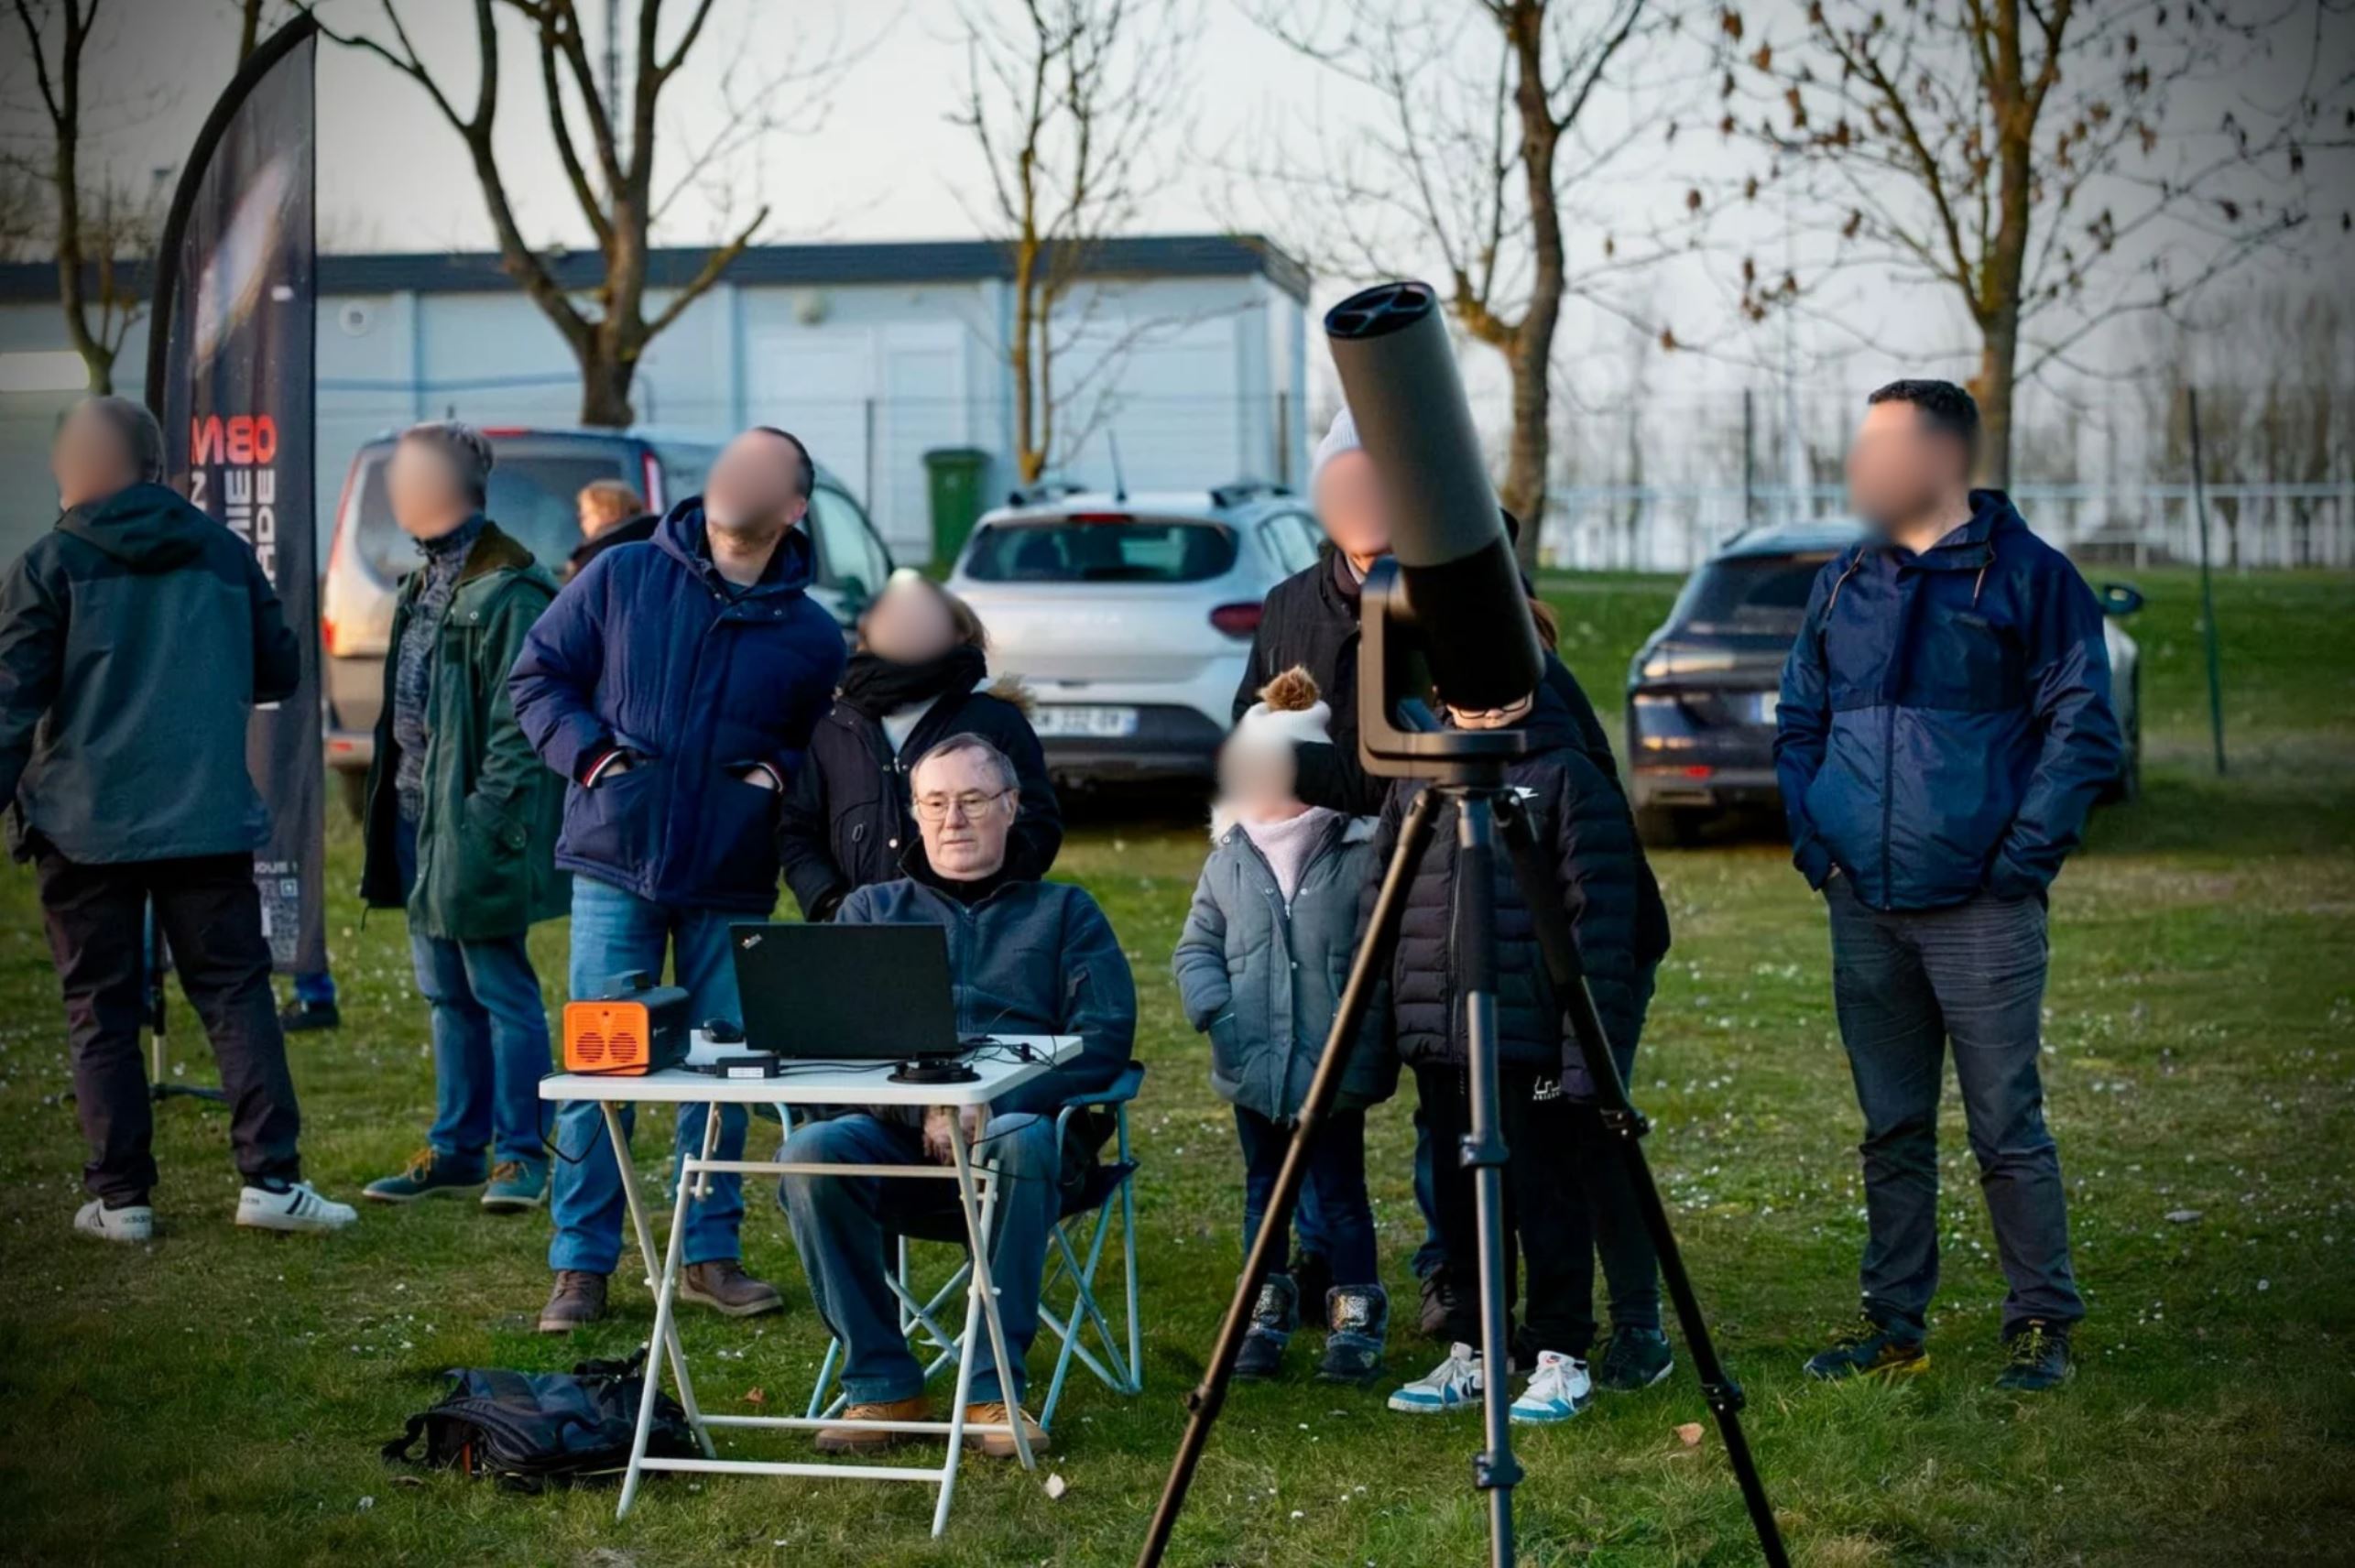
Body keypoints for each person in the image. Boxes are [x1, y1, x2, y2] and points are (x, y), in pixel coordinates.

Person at [1237, 406, 1654, 1343]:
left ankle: (1625, 1322)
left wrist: (1298, 765)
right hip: (1419, 916)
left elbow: (1561, 818)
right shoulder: (1294, 605)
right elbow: (1297, 742)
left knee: (1577, 1135)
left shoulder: (1487, 623)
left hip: (1542, 936)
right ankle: (1461, 1306)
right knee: (1451, 1129)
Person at [1776, 380, 2119, 1394]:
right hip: (1864, 905)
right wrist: (1819, 847)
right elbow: (1798, 722)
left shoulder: (2030, 577)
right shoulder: (1845, 579)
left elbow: (2082, 728)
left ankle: (2041, 1323)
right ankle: (1893, 1323)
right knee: (1891, 1128)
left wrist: (2017, 863)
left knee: (2006, 1127)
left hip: (1981, 908)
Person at [512, 425, 845, 1332]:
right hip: (616, 858)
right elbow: (537, 678)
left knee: (723, 1072)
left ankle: (708, 1254)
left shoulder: (813, 635)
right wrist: (595, 761)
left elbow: (823, 746)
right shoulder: (621, 576)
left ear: (793, 505)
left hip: (732, 873)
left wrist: (774, 776)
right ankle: (580, 1264)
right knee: (602, 1066)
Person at [0, 395, 355, 1238]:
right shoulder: (223, 552)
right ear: (158, 466)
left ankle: (121, 1199)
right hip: (203, 815)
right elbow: (280, 671)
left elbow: (11, 700)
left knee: (100, 1007)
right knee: (234, 994)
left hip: (83, 823)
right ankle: (271, 1181)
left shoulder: (49, 562)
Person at [778, 733, 1136, 1459]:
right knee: (809, 1151)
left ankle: (991, 1390)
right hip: (895, 1144)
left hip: (1029, 1145)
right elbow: (839, 1053)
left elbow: (1102, 1040)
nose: (953, 819)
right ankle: (883, 1385)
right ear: (913, 812)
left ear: (1011, 805)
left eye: (972, 800)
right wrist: (929, 1108)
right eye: (935, 802)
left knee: (1019, 1138)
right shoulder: (871, 911)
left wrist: (990, 1101)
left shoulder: (1065, 913)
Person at [1375, 667, 1667, 1425]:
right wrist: (1389, 1027)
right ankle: (1475, 1349)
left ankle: (1560, 1354)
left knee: (1546, 1198)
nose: (1483, 709)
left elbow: (1601, 926)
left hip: (1532, 1037)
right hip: (1443, 1038)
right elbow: (1384, 903)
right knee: (1460, 1199)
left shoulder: (1565, 776)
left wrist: (1585, 1055)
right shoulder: (1419, 777)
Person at [354, 422, 567, 1212]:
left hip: (470, 824)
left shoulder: (510, 587)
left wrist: (482, 818)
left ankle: (521, 1157)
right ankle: (455, 1149)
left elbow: (522, 725)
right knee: (445, 991)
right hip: (417, 815)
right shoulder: (422, 580)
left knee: (499, 988)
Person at [1173, 667, 1392, 1384]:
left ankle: (1354, 1318)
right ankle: (1261, 1315)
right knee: (1263, 1191)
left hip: (1333, 1067)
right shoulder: (1229, 861)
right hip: (1253, 1063)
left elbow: (1380, 955)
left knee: (1339, 1193)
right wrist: (1216, 1008)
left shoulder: (1359, 856)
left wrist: (1362, 1029)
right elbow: (1196, 947)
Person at [778, 572, 1060, 920]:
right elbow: (797, 831)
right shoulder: (832, 725)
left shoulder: (996, 722)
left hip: (971, 928)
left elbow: (1037, 823)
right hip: (857, 932)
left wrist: (983, 903)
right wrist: (833, 904)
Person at [565, 477, 656, 581]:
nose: (582, 523)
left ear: (606, 512)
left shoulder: (597, 556)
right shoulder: (658, 539)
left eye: (584, 515)